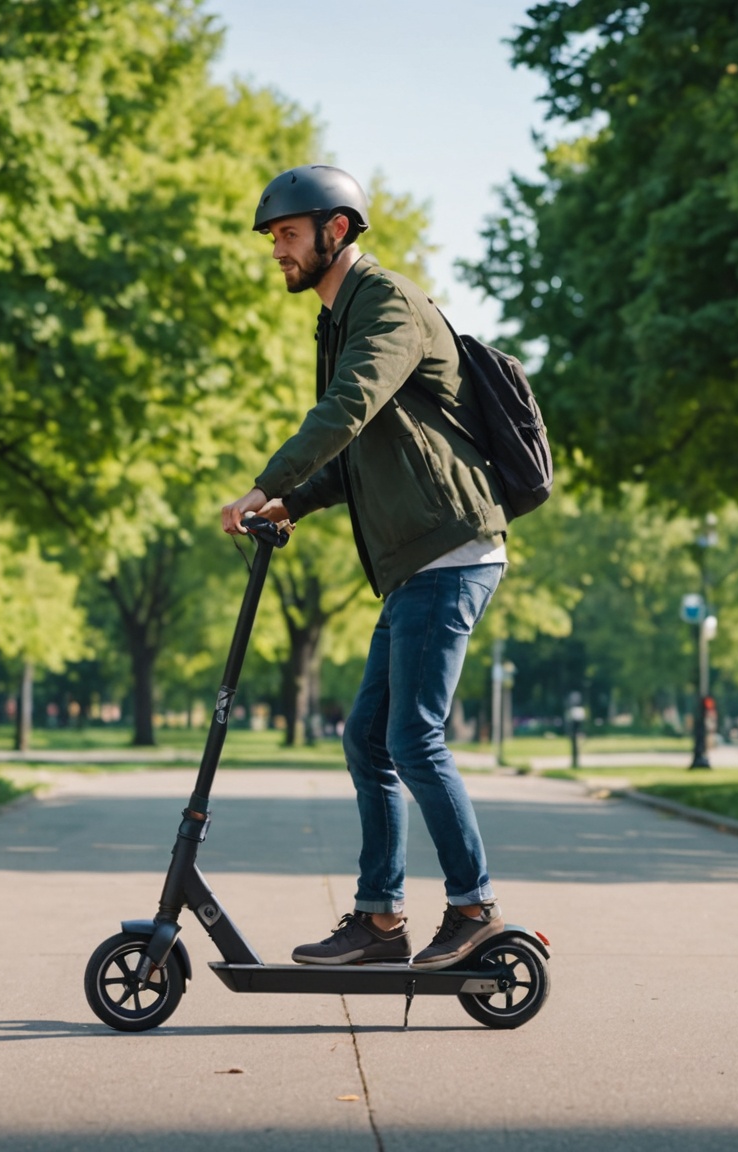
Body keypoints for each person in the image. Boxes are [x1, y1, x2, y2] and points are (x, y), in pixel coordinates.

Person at [220, 165, 512, 971]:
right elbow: (361, 455)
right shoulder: (339, 321)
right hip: (420, 559)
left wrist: (264, 483)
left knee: (412, 738)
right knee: (368, 740)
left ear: (335, 231)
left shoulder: (385, 306)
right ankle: (380, 923)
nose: (276, 250)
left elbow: (348, 408)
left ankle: (475, 908)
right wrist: (295, 502)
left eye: (287, 234)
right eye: (274, 238)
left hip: (449, 549)